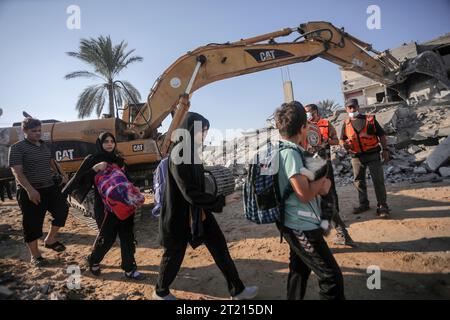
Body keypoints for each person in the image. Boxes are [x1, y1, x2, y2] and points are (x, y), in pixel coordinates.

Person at [154, 112, 258, 300]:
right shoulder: (180, 153)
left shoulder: (191, 152)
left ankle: (238, 290)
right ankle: (160, 292)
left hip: (198, 213)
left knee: (219, 246)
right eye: (203, 130)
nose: (205, 135)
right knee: (173, 255)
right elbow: (189, 192)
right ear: (191, 130)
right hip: (180, 215)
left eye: (207, 131)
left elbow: (198, 183)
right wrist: (221, 201)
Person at [275, 101, 345, 300]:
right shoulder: (290, 154)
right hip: (300, 226)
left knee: (299, 270)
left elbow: (312, 189)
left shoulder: (288, 149)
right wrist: (323, 178)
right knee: (331, 277)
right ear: (303, 127)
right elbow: (304, 194)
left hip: (296, 222)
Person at [62, 132, 145, 280]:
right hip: (105, 208)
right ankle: (93, 259)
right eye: (106, 141)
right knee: (107, 238)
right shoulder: (92, 159)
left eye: (112, 141)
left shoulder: (119, 160)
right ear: (100, 143)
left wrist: (134, 188)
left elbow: (126, 179)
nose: (109, 144)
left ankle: (129, 268)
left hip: (125, 204)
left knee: (127, 236)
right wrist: (94, 169)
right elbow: (79, 179)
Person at [8, 118, 69, 267]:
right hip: (31, 190)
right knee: (32, 224)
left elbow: (52, 161)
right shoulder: (17, 148)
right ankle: (36, 256)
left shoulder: (44, 145)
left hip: (50, 187)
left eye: (39, 130)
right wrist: (30, 190)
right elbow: (17, 172)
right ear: (25, 131)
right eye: (33, 131)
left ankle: (50, 239)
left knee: (62, 211)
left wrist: (62, 175)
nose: (37, 133)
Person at [304, 104, 354, 246]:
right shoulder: (304, 126)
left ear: (315, 111)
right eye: (305, 112)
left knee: (328, 192)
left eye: (308, 112)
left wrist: (326, 141)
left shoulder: (325, 123)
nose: (307, 114)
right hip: (311, 163)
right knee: (321, 196)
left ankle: (335, 226)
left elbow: (336, 140)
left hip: (323, 162)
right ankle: (338, 230)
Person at [340, 98, 390, 218]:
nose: (352, 109)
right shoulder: (346, 123)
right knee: (358, 181)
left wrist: (385, 150)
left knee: (378, 180)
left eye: (353, 107)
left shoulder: (370, 120)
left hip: (372, 154)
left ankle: (382, 205)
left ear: (358, 107)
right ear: (346, 109)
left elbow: (382, 135)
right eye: (349, 108)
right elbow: (342, 139)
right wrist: (344, 145)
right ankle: (364, 204)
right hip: (356, 157)